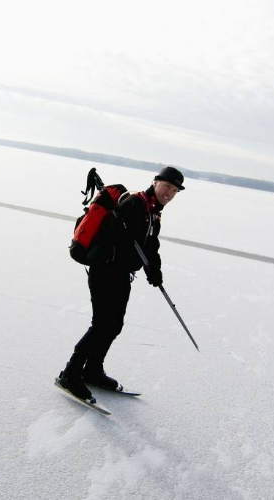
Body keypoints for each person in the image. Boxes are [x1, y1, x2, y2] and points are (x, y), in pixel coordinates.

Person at [58, 166, 185, 402]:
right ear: (156, 182)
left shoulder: (153, 212)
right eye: (167, 186)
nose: (169, 193)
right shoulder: (136, 203)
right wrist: (134, 252)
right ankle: (71, 373)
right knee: (102, 325)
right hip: (105, 269)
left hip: (121, 273)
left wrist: (153, 270)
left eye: (175, 190)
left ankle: (92, 370)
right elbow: (115, 237)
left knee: (114, 324)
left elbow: (150, 245)